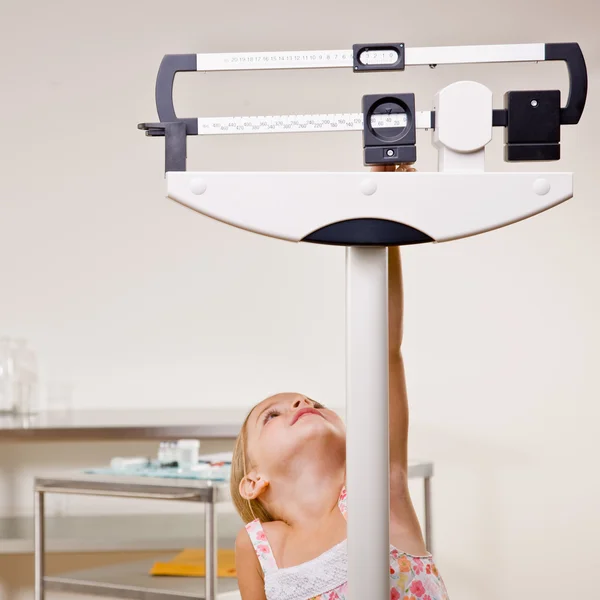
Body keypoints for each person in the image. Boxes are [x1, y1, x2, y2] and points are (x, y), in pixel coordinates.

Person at [230, 164, 450, 600]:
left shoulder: (376, 494)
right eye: (272, 414)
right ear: (253, 480)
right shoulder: (259, 546)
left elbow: (383, 348)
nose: (299, 405)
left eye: (307, 400)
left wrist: (384, 214)